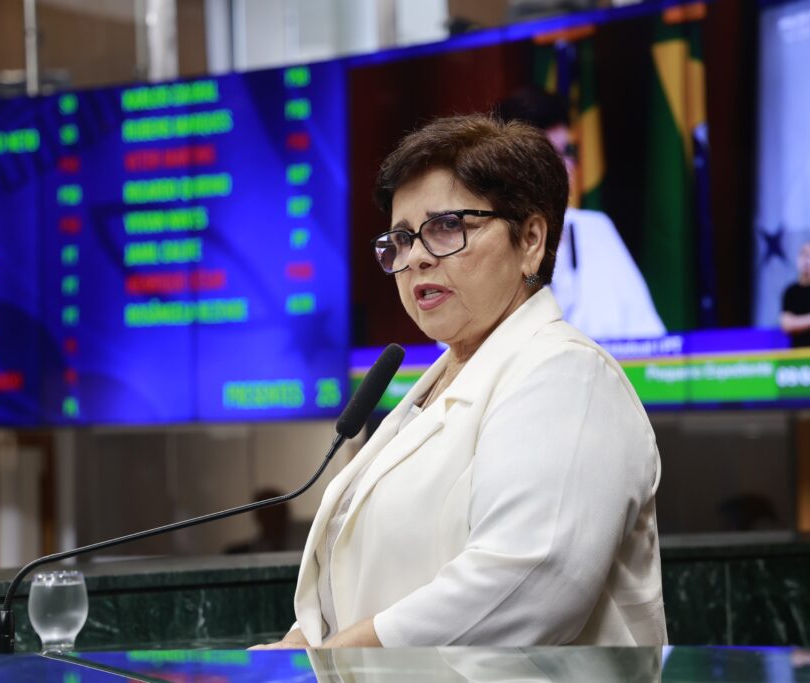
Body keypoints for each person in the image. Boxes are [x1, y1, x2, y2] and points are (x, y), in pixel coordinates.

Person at [253, 114, 666, 649]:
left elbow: (526, 582)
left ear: (531, 240)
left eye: (447, 226)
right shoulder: (431, 387)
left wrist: (332, 663)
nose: (417, 258)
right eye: (402, 238)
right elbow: (367, 584)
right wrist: (290, 653)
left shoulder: (568, 374)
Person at [496, 89, 666, 339]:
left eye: (567, 151)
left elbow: (652, 338)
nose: (566, 167)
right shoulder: (487, 240)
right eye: (550, 156)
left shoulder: (595, 229)